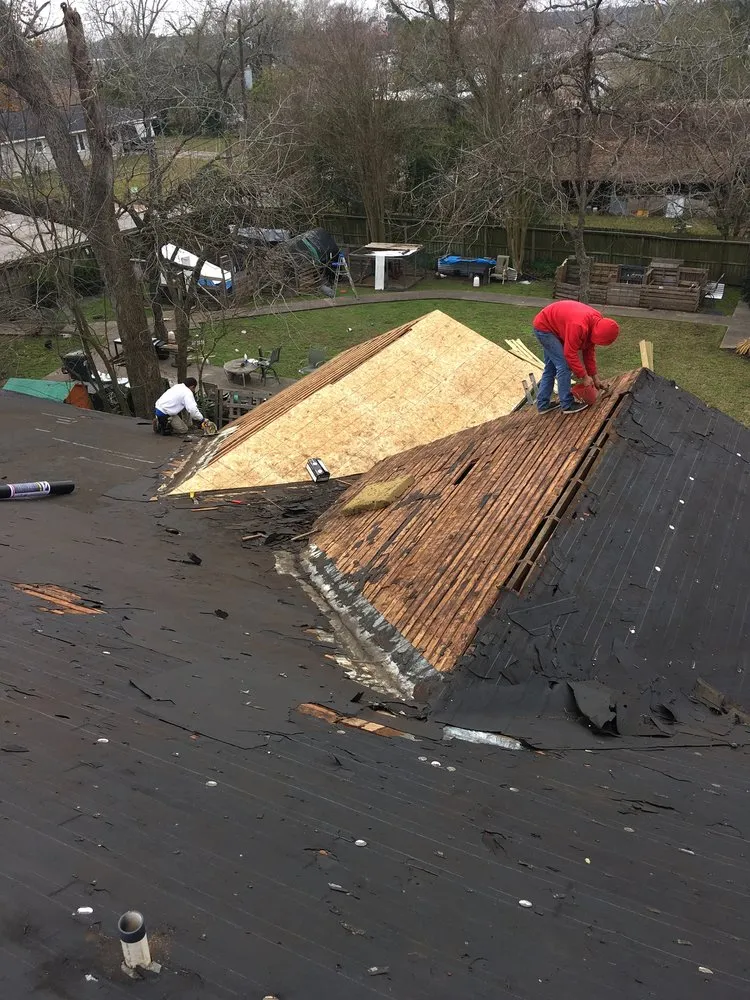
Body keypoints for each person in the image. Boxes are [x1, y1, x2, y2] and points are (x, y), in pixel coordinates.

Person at [532, 300, 620, 415]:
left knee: (551, 368)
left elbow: (589, 351)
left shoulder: (597, 323)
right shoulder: (579, 326)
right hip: (545, 328)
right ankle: (567, 405)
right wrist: (584, 376)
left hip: (556, 325)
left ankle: (543, 405)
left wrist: (595, 377)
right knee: (563, 365)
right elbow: (570, 354)